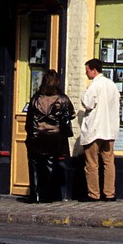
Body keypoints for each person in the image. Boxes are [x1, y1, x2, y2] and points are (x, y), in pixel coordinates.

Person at [25, 69, 74, 203]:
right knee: (50, 165)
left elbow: (29, 118)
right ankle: (47, 194)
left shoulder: (36, 98)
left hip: (36, 136)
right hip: (54, 136)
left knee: (34, 166)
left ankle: (35, 194)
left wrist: (30, 132)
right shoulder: (62, 99)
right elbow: (71, 114)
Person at [80, 58, 122, 202]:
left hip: (95, 129)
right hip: (109, 129)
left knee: (92, 163)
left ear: (93, 70)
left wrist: (83, 96)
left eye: (87, 70)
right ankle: (109, 193)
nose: (86, 74)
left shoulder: (94, 86)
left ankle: (94, 194)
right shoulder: (112, 85)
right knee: (109, 163)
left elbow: (88, 104)